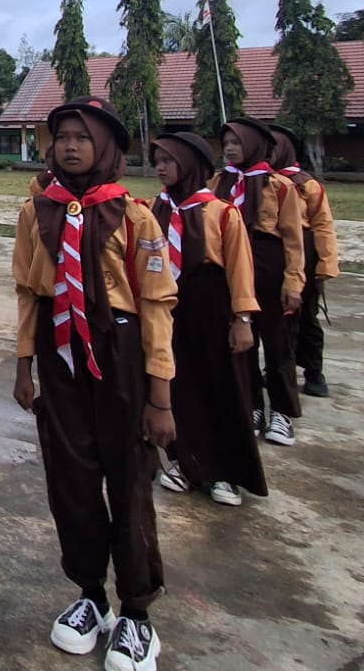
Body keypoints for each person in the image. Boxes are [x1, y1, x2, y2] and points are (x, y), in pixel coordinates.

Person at [12, 97, 175, 671]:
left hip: (121, 357)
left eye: (83, 137)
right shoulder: (37, 213)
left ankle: (137, 612)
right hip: (61, 360)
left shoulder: (135, 216)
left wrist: (160, 397)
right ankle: (89, 594)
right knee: (72, 482)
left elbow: (156, 307)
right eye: (62, 137)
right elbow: (31, 294)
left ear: (106, 147)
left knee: (128, 481)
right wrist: (24, 365)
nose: (71, 146)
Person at [149, 132, 266, 509]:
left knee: (219, 387)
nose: (160, 168)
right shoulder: (157, 208)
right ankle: (185, 461)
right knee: (175, 385)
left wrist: (242, 318)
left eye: (168, 160)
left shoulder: (221, 212)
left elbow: (239, 269)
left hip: (210, 305)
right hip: (168, 308)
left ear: (191, 164)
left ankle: (224, 471)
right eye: (157, 161)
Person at [215, 117, 305, 447]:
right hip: (230, 269)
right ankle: (251, 405)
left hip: (268, 265)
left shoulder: (279, 187)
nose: (229, 149)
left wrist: (293, 281)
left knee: (277, 343)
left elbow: (293, 239)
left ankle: (281, 411)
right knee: (240, 340)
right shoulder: (218, 183)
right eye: (226, 143)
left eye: (236, 143)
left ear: (253, 144)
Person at [269, 124, 340, 398]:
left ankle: (313, 371)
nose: (269, 153)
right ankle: (277, 367)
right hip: (272, 255)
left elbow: (323, 225)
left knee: (305, 316)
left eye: (274, 147)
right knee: (275, 319)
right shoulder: (259, 181)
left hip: (305, 254)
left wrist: (325, 264)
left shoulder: (305, 184)